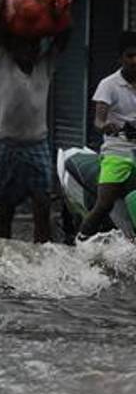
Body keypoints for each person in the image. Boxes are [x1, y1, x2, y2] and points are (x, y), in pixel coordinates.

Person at [0, 0, 65, 243]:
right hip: (7, 144)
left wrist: (59, 4)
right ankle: (3, 257)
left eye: (33, 45)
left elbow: (65, 35)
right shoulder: (1, 61)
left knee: (42, 204)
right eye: (23, 44)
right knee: (4, 209)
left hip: (37, 143)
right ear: (13, 45)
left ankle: (40, 257)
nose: (28, 50)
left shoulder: (45, 64)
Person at [76, 32, 136, 239]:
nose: (135, 60)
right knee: (104, 203)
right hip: (118, 151)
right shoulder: (108, 84)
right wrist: (106, 126)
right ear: (120, 58)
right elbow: (98, 120)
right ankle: (81, 243)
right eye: (130, 56)